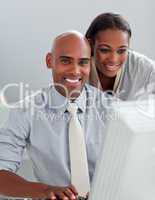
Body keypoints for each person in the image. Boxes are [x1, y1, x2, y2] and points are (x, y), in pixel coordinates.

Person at [0, 31, 106, 199]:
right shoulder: (26, 111)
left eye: (83, 62)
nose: (75, 71)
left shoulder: (112, 108)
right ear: (50, 61)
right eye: (66, 61)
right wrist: (45, 191)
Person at [85, 12, 155, 100]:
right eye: (104, 50)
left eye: (121, 50)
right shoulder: (76, 67)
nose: (113, 59)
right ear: (91, 44)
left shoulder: (144, 68)